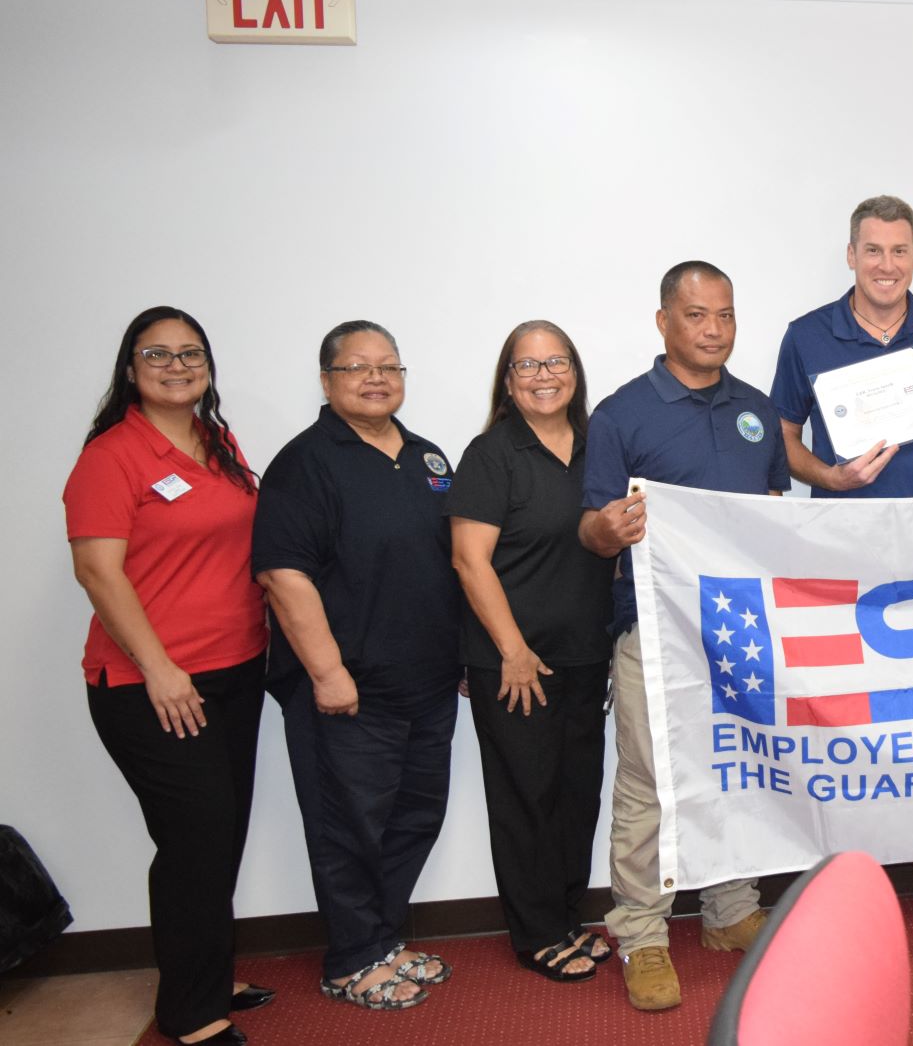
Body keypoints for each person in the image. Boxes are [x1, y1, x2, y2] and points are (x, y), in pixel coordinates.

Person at [771, 194, 913, 947]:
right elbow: (783, 446)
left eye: (899, 251)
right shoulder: (807, 336)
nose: (886, 264)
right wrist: (828, 478)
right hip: (838, 560)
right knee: (846, 722)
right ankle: (843, 885)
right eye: (873, 250)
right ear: (850, 255)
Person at [581, 262, 788, 1011]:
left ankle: (730, 909)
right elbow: (591, 528)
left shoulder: (758, 412)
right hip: (654, 628)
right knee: (649, 783)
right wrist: (604, 530)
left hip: (738, 631)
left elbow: (770, 514)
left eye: (725, 316)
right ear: (663, 321)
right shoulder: (620, 414)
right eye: (697, 315)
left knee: (736, 765)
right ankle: (639, 931)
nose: (713, 330)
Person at [64, 307, 272, 1046]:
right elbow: (96, 569)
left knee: (220, 836)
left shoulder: (218, 443)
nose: (176, 364)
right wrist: (160, 669)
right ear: (130, 368)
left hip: (236, 672)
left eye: (191, 353)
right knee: (196, 840)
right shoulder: (112, 456)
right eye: (157, 353)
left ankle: (206, 976)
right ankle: (189, 1011)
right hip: (151, 685)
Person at [252, 321, 460, 1011]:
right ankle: (348, 959)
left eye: (388, 366)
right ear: (326, 380)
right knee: (348, 828)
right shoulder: (305, 462)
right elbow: (284, 575)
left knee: (411, 819)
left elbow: (449, 564)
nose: (376, 378)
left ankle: (381, 941)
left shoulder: (429, 458)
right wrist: (326, 671)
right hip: (349, 690)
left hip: (428, 683)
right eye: (356, 367)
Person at [449, 321, 617, 982]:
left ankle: (568, 916)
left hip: (585, 656)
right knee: (526, 800)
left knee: (576, 797)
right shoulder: (492, 453)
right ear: (508, 380)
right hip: (516, 664)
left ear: (574, 371)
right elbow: (469, 561)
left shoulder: (600, 446)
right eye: (528, 366)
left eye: (556, 362)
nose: (544, 376)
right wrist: (511, 651)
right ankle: (537, 932)